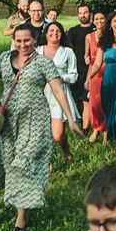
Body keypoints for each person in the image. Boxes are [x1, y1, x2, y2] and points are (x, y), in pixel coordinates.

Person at [0, 24, 83, 231]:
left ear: (35, 40)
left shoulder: (44, 63)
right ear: (14, 41)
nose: (23, 44)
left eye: (27, 40)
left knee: (23, 164)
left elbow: (57, 89)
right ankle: (20, 202)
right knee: (10, 164)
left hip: (34, 121)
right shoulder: (4, 59)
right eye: (19, 40)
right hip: (8, 122)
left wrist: (70, 119)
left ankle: (21, 220)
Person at [86, 12, 116, 166]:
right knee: (112, 118)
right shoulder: (104, 40)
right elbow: (97, 64)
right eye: (115, 21)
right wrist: (89, 78)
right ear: (110, 23)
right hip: (108, 83)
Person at [36, 22, 80, 164]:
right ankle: (48, 162)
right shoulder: (37, 51)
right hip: (40, 94)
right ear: (46, 33)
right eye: (51, 30)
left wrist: (60, 79)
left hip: (60, 94)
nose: (55, 33)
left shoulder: (68, 52)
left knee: (57, 134)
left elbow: (74, 75)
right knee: (43, 132)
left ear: (62, 34)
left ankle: (65, 147)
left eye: (58, 31)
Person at [67, 4, 96, 131]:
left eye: (85, 12)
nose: (83, 15)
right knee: (76, 97)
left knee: (88, 99)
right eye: (80, 13)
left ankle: (88, 126)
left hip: (93, 69)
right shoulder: (73, 31)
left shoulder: (96, 29)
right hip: (76, 68)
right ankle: (78, 121)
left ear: (90, 13)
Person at [84, 11, 107, 144]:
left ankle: (105, 132)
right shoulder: (89, 36)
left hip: (106, 69)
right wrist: (86, 58)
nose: (99, 21)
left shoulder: (110, 35)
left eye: (102, 18)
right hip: (93, 71)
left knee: (105, 102)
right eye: (96, 19)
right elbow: (86, 55)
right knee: (94, 103)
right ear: (93, 20)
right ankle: (96, 128)